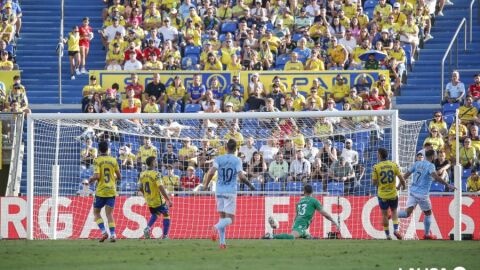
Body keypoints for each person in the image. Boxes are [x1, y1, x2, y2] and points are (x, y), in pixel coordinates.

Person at [203, 139, 255, 248]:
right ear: (236, 149)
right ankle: (215, 227)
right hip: (230, 191)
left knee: (222, 218)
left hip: (219, 191)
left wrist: (205, 185)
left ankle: (222, 243)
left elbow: (211, 172)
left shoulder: (219, 159)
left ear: (226, 148)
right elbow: (241, 177)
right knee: (230, 219)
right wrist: (250, 185)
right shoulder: (237, 160)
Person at [398, 150, 455, 239]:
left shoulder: (417, 163)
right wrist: (447, 184)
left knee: (407, 213)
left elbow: (406, 175)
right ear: (432, 157)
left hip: (412, 192)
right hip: (422, 194)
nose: (435, 157)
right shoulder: (430, 166)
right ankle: (427, 234)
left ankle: (392, 215)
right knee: (428, 213)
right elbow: (435, 177)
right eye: (435, 156)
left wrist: (398, 186)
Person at [263, 184, 339, 239]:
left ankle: (308, 236)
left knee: (307, 236)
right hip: (301, 224)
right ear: (312, 192)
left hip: (298, 223)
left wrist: (294, 224)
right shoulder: (314, 201)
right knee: (292, 237)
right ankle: (271, 236)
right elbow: (324, 213)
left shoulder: (300, 201)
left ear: (304, 192)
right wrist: (333, 221)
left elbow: (297, 215)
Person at [88, 141, 121, 242]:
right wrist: (113, 178)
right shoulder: (113, 160)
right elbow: (119, 177)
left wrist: (90, 179)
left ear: (99, 149)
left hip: (101, 191)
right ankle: (113, 235)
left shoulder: (97, 160)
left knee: (96, 213)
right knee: (109, 214)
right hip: (111, 191)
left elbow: (97, 176)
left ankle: (103, 232)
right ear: (108, 149)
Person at [372, 148, 407, 240]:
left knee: (384, 215)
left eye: (377, 154)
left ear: (379, 155)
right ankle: (396, 229)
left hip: (382, 195)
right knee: (394, 211)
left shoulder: (376, 167)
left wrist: (378, 182)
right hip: (393, 194)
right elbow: (402, 179)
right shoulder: (393, 165)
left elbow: (374, 183)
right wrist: (403, 186)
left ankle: (387, 235)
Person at [139, 156, 173, 240]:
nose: (157, 162)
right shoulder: (156, 174)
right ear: (153, 163)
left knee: (155, 214)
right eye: (155, 161)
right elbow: (161, 187)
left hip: (149, 200)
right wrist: (168, 199)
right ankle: (165, 236)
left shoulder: (142, 174)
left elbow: (140, 187)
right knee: (166, 215)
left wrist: (145, 195)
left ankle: (147, 228)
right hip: (158, 200)